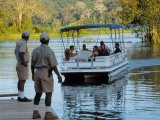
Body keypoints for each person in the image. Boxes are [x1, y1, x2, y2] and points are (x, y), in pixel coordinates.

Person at [31, 32, 62, 119]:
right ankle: (48, 114)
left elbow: (32, 65)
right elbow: (53, 66)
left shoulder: (35, 50)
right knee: (48, 93)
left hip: (37, 72)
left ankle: (35, 112)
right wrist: (59, 76)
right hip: (46, 73)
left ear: (40, 40)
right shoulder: (50, 51)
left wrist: (33, 74)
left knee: (38, 93)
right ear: (48, 40)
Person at [14, 30, 31, 102]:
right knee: (22, 81)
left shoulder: (19, 42)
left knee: (20, 80)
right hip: (22, 65)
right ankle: (22, 97)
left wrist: (19, 61)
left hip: (19, 63)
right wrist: (23, 62)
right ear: (27, 37)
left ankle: (20, 95)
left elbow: (15, 52)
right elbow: (21, 53)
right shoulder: (24, 43)